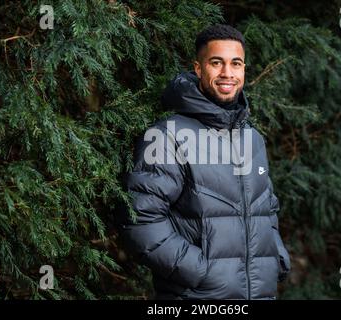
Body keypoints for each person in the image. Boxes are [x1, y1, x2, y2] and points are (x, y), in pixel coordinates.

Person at [119, 24, 290, 300]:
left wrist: (276, 257)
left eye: (236, 63)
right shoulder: (167, 135)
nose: (227, 73)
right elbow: (141, 219)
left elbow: (266, 208)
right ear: (198, 69)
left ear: (244, 69)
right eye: (216, 63)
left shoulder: (252, 139)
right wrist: (201, 272)